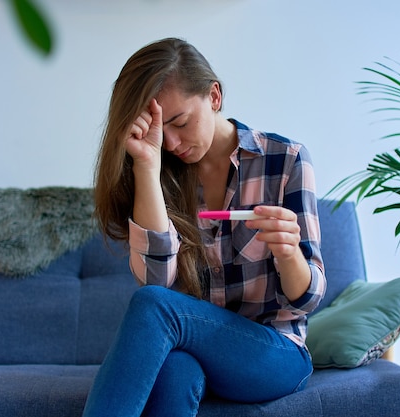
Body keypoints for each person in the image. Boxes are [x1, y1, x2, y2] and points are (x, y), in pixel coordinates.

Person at [82, 37, 326, 417]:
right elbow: (157, 281)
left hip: (274, 353)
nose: (173, 143)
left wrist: (289, 251)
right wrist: (147, 165)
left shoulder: (286, 160)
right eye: (165, 132)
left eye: (180, 122)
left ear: (214, 97)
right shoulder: (159, 171)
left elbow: (307, 299)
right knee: (176, 370)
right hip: (193, 351)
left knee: (155, 309)